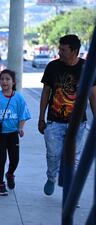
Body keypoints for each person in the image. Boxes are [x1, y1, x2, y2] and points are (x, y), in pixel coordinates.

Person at [38, 34, 96, 196]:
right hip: (54, 122)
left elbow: (93, 96)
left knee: (74, 159)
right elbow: (46, 93)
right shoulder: (52, 67)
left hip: (77, 124)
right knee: (53, 155)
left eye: (63, 50)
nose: (59, 52)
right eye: (59, 49)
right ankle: (51, 177)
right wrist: (41, 117)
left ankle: (71, 193)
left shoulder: (87, 68)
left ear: (74, 51)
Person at [0, 69, 31, 196]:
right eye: (2, 79)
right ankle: (0, 184)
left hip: (13, 133)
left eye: (8, 79)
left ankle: (9, 174)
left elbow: (23, 115)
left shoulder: (19, 98)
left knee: (15, 159)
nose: (4, 81)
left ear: (13, 82)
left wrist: (21, 128)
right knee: (1, 158)